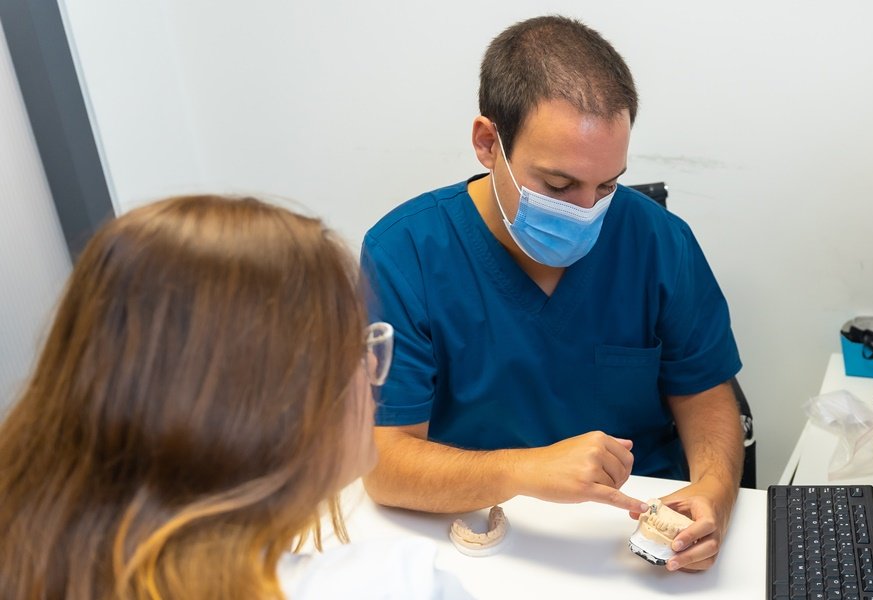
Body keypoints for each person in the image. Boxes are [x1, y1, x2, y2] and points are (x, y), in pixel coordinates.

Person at [361, 15, 744, 573]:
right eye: (559, 186)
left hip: (631, 541)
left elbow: (706, 393)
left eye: (607, 184)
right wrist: (523, 471)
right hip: (477, 535)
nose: (587, 212)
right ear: (488, 143)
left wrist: (715, 492)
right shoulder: (406, 253)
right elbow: (385, 465)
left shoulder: (658, 241)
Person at [0, 195, 472, 599]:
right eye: (352, 343)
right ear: (272, 401)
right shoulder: (397, 584)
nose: (371, 363)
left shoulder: (36, 565)